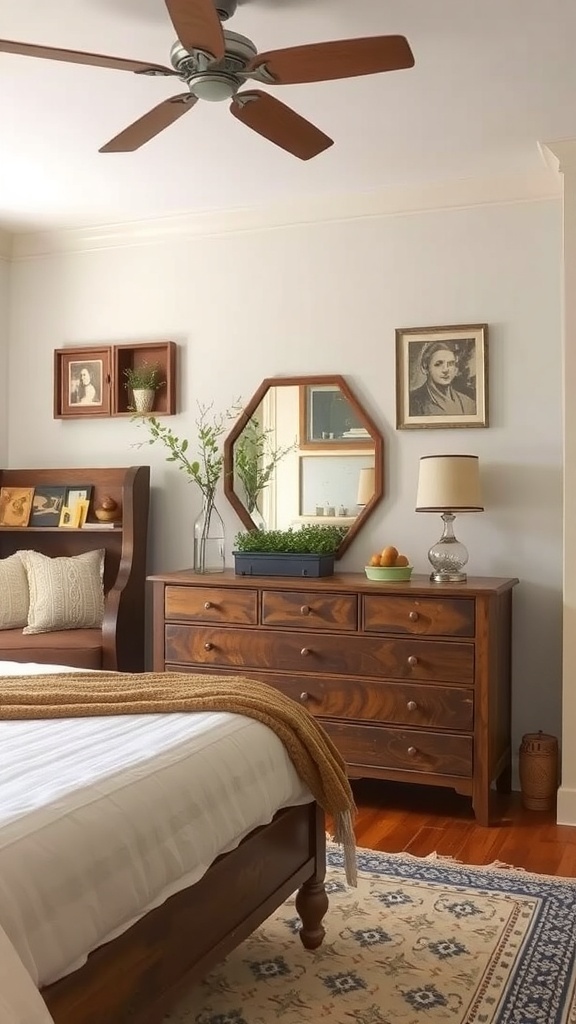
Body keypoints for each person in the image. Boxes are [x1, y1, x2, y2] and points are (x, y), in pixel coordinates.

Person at [409, 342, 476, 417]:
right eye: (438, 364)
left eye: (450, 364)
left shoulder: (468, 403)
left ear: (455, 369)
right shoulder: (411, 402)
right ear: (425, 368)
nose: (445, 370)